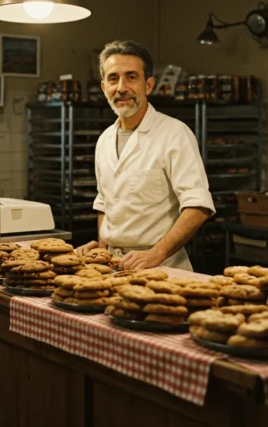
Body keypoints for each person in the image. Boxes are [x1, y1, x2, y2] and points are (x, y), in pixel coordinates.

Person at [76, 40, 215, 271]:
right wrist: (102, 248)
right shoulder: (104, 141)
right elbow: (104, 205)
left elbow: (198, 207)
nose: (121, 87)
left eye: (131, 77)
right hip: (112, 266)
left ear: (148, 85)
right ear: (103, 88)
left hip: (162, 267)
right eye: (113, 78)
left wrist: (156, 253)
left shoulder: (174, 134)